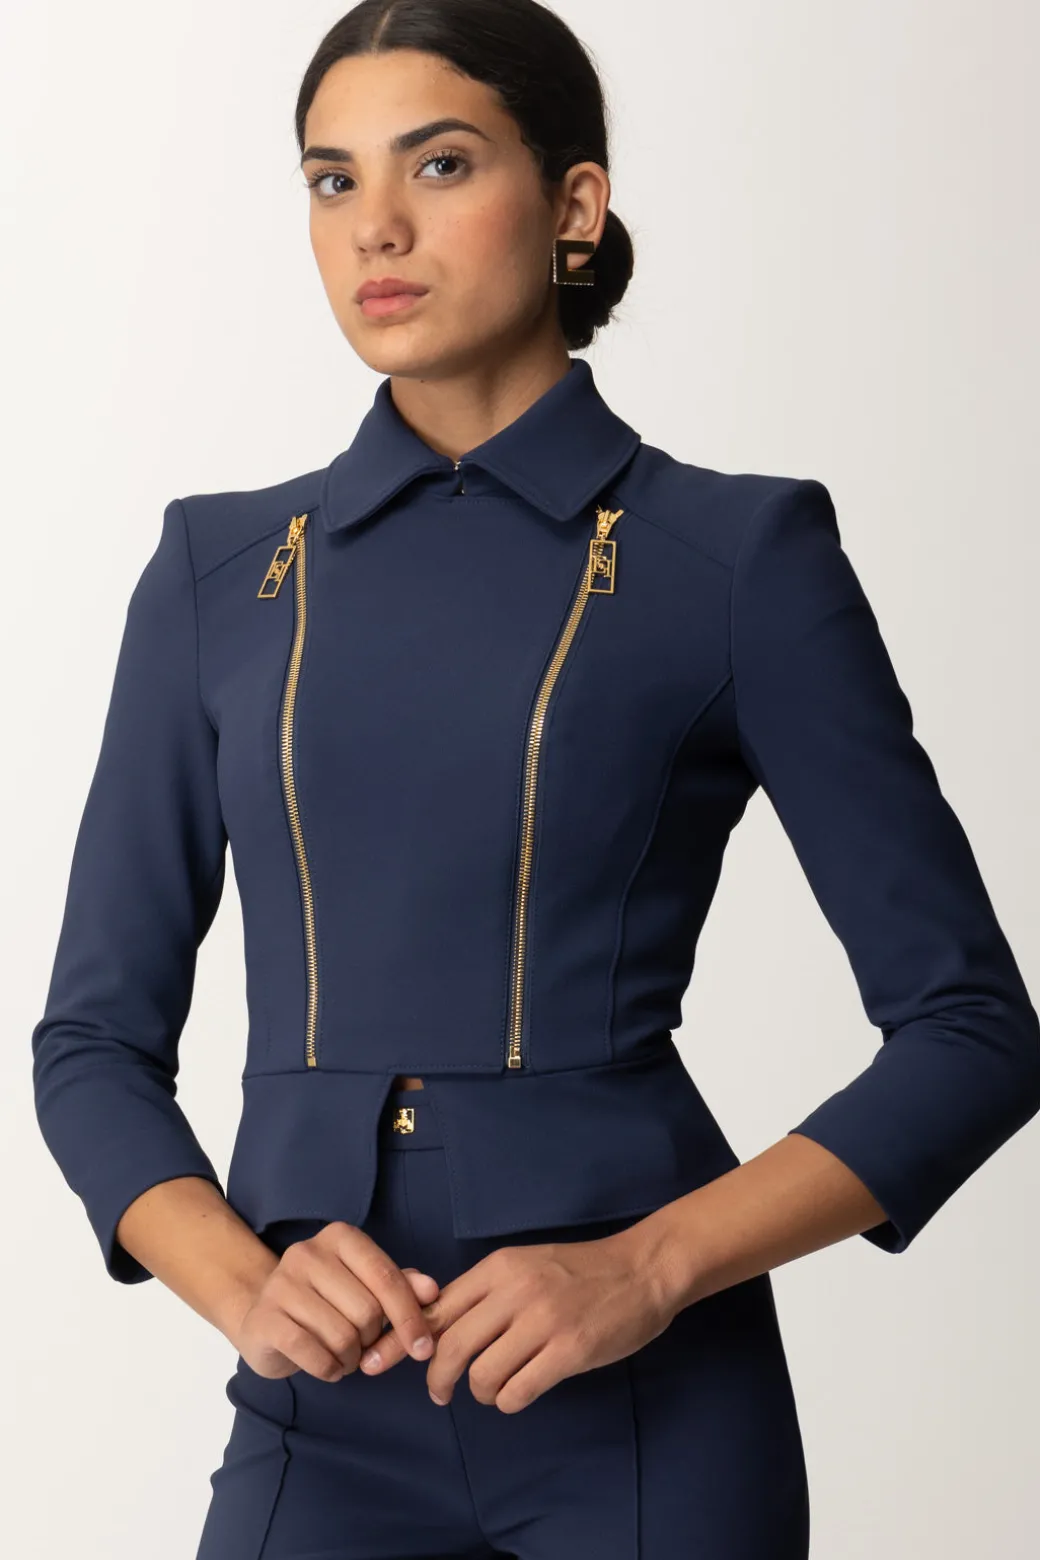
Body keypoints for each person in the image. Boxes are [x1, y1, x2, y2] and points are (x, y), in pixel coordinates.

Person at [29, 2, 1040, 1557]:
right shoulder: (217, 576)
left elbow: (973, 1033)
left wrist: (645, 1268)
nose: (375, 225)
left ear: (574, 203)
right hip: (319, 1416)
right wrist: (243, 1285)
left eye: (438, 164)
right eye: (331, 179)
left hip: (647, 1415)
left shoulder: (736, 560)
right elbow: (92, 1041)